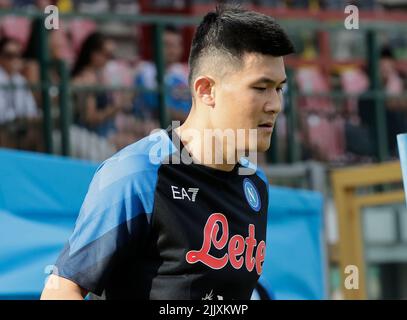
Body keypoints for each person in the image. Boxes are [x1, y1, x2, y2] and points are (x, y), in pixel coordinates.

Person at [41, 5, 294, 300]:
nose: (275, 104)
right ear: (206, 90)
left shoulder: (256, 183)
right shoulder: (138, 174)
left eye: (279, 89)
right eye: (261, 87)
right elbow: (61, 290)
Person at [133, 25, 191, 124]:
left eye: (176, 45)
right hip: (157, 130)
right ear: (154, 46)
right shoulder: (146, 72)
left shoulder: (184, 72)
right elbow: (161, 110)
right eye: (167, 45)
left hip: (186, 130)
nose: (172, 50)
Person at [0, 37, 41, 150]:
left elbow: (31, 110)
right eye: (9, 55)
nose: (14, 60)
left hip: (19, 128)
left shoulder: (20, 80)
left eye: (17, 55)